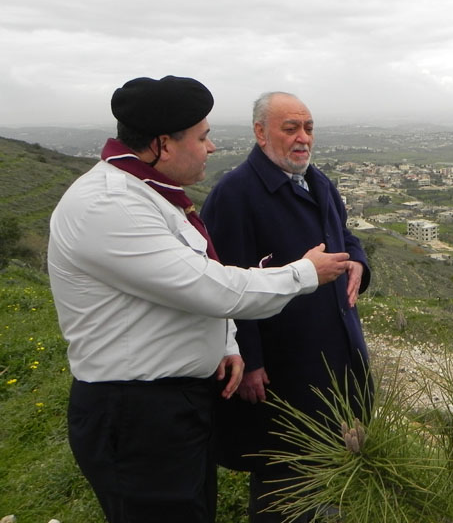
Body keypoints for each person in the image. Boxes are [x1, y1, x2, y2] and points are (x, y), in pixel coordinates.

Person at [48, 76, 352, 523]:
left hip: (171, 407)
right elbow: (211, 286)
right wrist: (306, 273)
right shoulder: (110, 206)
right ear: (163, 145)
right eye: (203, 137)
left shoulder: (149, 196)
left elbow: (183, 289)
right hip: (136, 413)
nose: (210, 148)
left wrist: (226, 343)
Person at [201, 91, 372, 522]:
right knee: (284, 471)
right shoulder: (234, 194)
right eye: (290, 128)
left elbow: (344, 237)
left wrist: (357, 262)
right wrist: (250, 360)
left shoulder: (318, 181)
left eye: (308, 128)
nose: (303, 138)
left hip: (336, 357)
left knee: (331, 462)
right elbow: (225, 284)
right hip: (282, 366)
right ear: (260, 133)